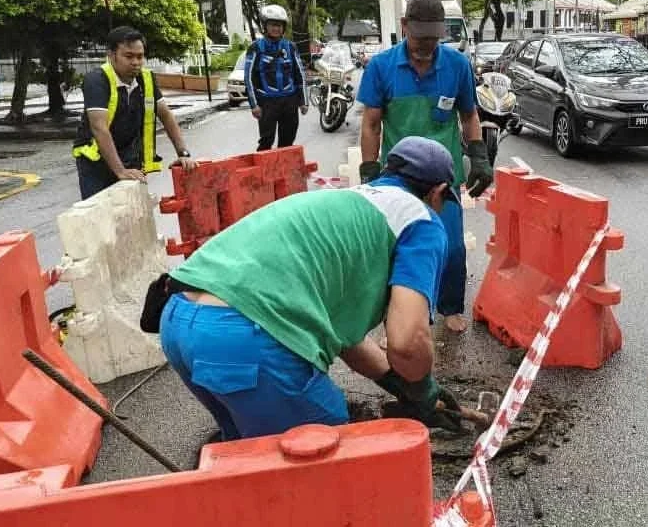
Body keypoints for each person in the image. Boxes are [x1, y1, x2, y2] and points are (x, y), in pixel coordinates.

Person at [159, 136, 464, 441]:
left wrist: (400, 385)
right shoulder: (420, 221)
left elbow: (345, 338)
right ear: (436, 192)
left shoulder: (348, 204)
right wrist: (422, 388)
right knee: (324, 454)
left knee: (248, 456)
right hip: (243, 337)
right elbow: (408, 342)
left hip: (179, 321)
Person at [357, 0, 493, 334]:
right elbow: (371, 123)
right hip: (398, 179)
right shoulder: (381, 67)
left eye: (434, 40)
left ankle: (450, 305)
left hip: (442, 177)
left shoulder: (457, 65)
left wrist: (478, 156)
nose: (426, 47)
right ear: (404, 28)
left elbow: (469, 114)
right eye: (420, 39)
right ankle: (395, 317)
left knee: (450, 243)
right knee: (396, 247)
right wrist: (369, 170)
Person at [73, 26, 198, 200]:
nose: (136, 62)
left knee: (133, 214)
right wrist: (120, 171)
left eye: (140, 56)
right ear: (111, 55)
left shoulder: (146, 79)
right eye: (128, 56)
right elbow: (98, 127)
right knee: (103, 217)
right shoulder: (96, 80)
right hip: (96, 164)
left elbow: (166, 115)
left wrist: (183, 154)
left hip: (130, 157)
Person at [243, 4, 309, 150]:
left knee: (287, 141)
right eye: (272, 24)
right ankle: (264, 172)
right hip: (267, 103)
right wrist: (254, 105)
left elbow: (300, 74)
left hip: (289, 101)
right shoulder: (255, 47)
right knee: (266, 141)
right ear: (265, 26)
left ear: (284, 27)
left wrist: (304, 101)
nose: (276, 28)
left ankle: (282, 171)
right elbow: (248, 78)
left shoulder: (290, 47)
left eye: (279, 25)